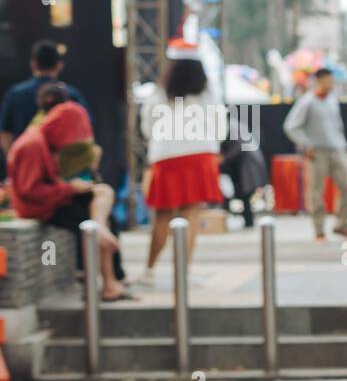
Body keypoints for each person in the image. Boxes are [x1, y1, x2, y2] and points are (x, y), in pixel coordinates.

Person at [6, 101, 133, 301]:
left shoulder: (43, 141)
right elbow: (30, 191)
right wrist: (69, 188)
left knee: (103, 197)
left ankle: (109, 268)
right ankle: (109, 280)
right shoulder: (32, 145)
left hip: (55, 198)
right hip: (40, 207)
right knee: (86, 223)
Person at [137, 39, 226, 283]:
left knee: (162, 216)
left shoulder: (160, 91)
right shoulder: (207, 91)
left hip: (166, 156)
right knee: (191, 216)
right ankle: (183, 273)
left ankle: (149, 270)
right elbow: (220, 122)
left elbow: (148, 124)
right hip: (201, 154)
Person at [283, 67, 347, 242]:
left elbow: (338, 125)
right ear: (319, 80)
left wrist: (342, 144)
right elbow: (290, 126)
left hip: (336, 150)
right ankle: (319, 229)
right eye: (328, 80)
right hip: (317, 152)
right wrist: (306, 145)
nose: (331, 84)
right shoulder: (307, 101)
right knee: (316, 192)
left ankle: (340, 223)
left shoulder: (332, 100)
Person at [0, 40, 90, 167]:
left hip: (26, 167)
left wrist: (15, 164)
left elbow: (5, 134)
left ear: (33, 64)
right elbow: (85, 135)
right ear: (59, 65)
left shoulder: (15, 94)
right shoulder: (72, 95)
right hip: (62, 170)